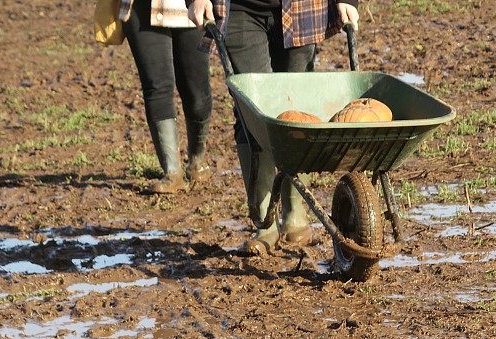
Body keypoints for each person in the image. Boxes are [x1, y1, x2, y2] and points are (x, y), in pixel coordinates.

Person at [186, 0, 359, 255]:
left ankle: (296, 215)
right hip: (240, 10)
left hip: (304, 8)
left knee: (298, 108)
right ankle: (265, 224)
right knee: (252, 110)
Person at [120, 0, 214, 194]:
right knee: (156, 86)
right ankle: (172, 173)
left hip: (191, 7)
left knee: (196, 90)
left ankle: (197, 161)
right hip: (140, 7)